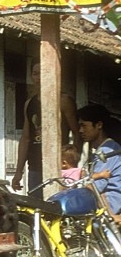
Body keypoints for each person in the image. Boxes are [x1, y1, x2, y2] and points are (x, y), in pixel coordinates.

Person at [11, 62, 80, 194]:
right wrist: (18, 172)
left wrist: (72, 165)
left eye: (43, 73)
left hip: (59, 166)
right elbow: (26, 138)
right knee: (36, 208)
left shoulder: (63, 101)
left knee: (58, 207)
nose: (39, 77)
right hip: (35, 166)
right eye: (35, 74)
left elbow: (77, 133)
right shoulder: (29, 104)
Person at [62, 104, 121, 219]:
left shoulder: (107, 151)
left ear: (99, 125)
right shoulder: (99, 151)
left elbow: (94, 187)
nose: (80, 130)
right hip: (101, 205)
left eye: (84, 125)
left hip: (109, 207)